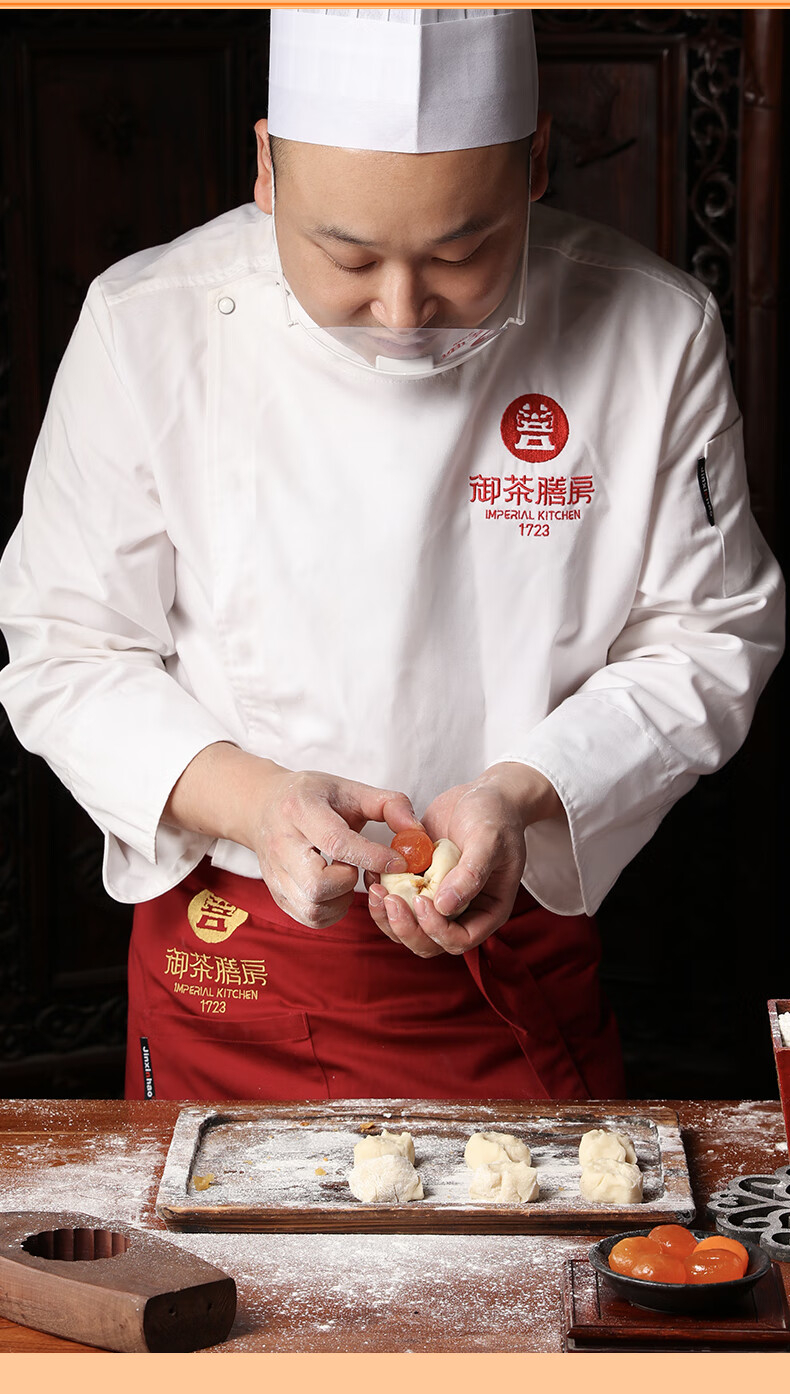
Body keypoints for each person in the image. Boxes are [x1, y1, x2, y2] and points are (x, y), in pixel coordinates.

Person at [0, 10, 783, 1103]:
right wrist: (259, 804)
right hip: (231, 961)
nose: (402, 309)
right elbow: (66, 650)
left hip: (510, 951)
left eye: (462, 253)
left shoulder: (655, 331)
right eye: (348, 255)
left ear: (535, 165)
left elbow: (710, 636)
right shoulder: (146, 327)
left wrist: (520, 795)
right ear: (267, 168)